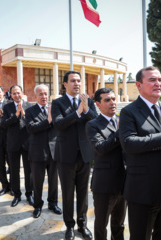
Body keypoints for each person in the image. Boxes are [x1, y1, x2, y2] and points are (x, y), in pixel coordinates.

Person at [119, 66, 161, 240]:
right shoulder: (128, 112)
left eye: (160, 80)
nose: (158, 83)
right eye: (152, 80)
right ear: (139, 85)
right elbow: (128, 143)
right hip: (143, 190)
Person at [51, 71, 98, 240]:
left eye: (79, 81)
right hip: (66, 156)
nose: (77, 84)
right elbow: (58, 124)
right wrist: (78, 112)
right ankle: (69, 226)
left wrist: (86, 110)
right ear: (65, 84)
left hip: (84, 155)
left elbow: (96, 120)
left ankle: (82, 225)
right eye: (73, 81)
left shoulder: (88, 101)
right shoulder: (58, 103)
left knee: (84, 193)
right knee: (68, 193)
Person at [85, 88, 127, 240]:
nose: (112, 103)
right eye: (107, 100)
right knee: (102, 224)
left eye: (114, 99)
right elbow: (101, 148)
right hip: (104, 184)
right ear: (98, 104)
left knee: (119, 224)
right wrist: (121, 129)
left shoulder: (122, 121)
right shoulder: (93, 125)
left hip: (124, 182)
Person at [25, 84, 62, 218]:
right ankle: (38, 206)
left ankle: (53, 204)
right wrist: (48, 121)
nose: (44, 96)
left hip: (53, 151)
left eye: (46, 94)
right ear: (35, 96)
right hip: (37, 152)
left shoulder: (55, 109)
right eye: (40, 94)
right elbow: (31, 128)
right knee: (37, 182)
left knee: (53, 181)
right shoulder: (30, 111)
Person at [1, 85, 34, 207]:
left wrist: (24, 115)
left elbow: (33, 123)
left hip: (27, 143)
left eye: (18, 93)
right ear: (11, 95)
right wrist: (15, 115)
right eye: (14, 93)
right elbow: (3, 124)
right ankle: (17, 195)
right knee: (14, 171)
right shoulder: (7, 107)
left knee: (28, 171)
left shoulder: (30, 106)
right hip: (13, 143)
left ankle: (29, 194)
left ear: (22, 93)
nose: (16, 95)